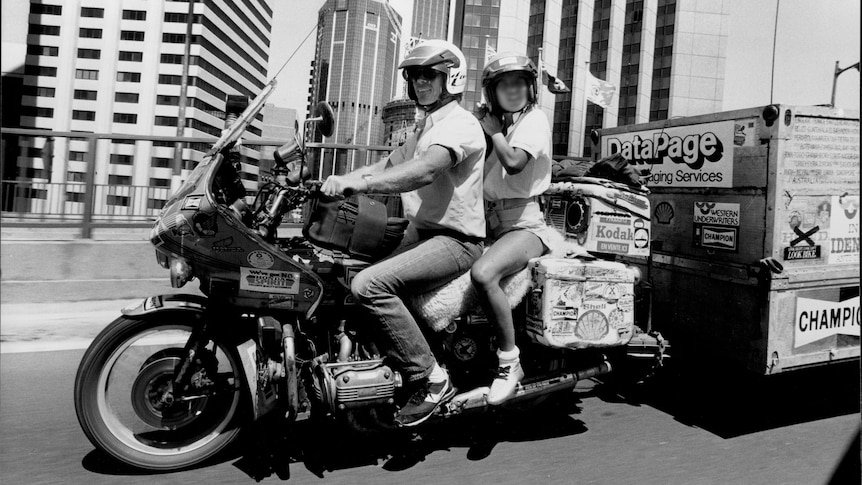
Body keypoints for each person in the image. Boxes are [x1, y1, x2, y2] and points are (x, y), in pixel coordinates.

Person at [321, 40, 486, 427]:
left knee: (369, 285)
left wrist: (360, 186)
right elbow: (385, 166)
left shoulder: (461, 124)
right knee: (341, 271)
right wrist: (338, 180)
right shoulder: (424, 127)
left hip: (456, 242)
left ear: (451, 78)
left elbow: (426, 170)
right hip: (423, 235)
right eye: (414, 76)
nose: (420, 82)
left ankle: (430, 377)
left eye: (429, 74)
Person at [470, 53, 555, 405]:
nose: (513, 90)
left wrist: (493, 132)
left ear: (530, 88)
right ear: (492, 92)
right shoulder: (504, 127)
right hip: (493, 223)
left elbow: (516, 163)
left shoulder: (534, 120)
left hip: (526, 226)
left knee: (483, 273)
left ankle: (509, 363)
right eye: (504, 84)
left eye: (519, 83)